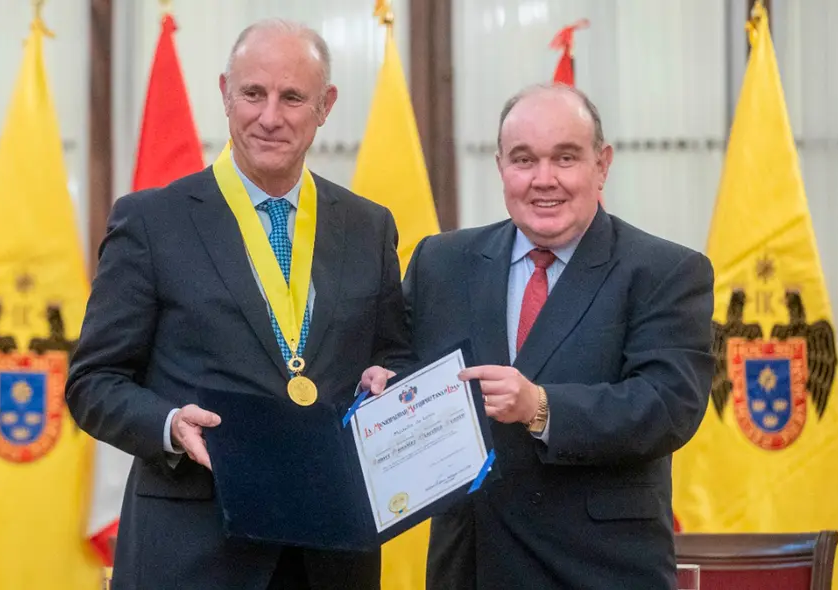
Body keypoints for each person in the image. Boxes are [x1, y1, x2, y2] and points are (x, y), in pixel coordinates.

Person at [66, 19, 408, 590]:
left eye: (292, 97)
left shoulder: (368, 227)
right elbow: (92, 381)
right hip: (192, 554)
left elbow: (396, 352)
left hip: (330, 557)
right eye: (253, 93)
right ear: (225, 92)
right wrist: (169, 424)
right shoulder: (151, 223)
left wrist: (391, 379)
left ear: (325, 106)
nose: (269, 117)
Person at [362, 84, 714, 589]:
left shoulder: (665, 270)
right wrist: (386, 381)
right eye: (524, 160)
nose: (543, 180)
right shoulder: (441, 262)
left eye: (565, 158)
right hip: (471, 566)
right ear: (500, 165)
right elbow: (402, 361)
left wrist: (541, 406)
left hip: (601, 570)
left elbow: (668, 406)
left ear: (602, 164)